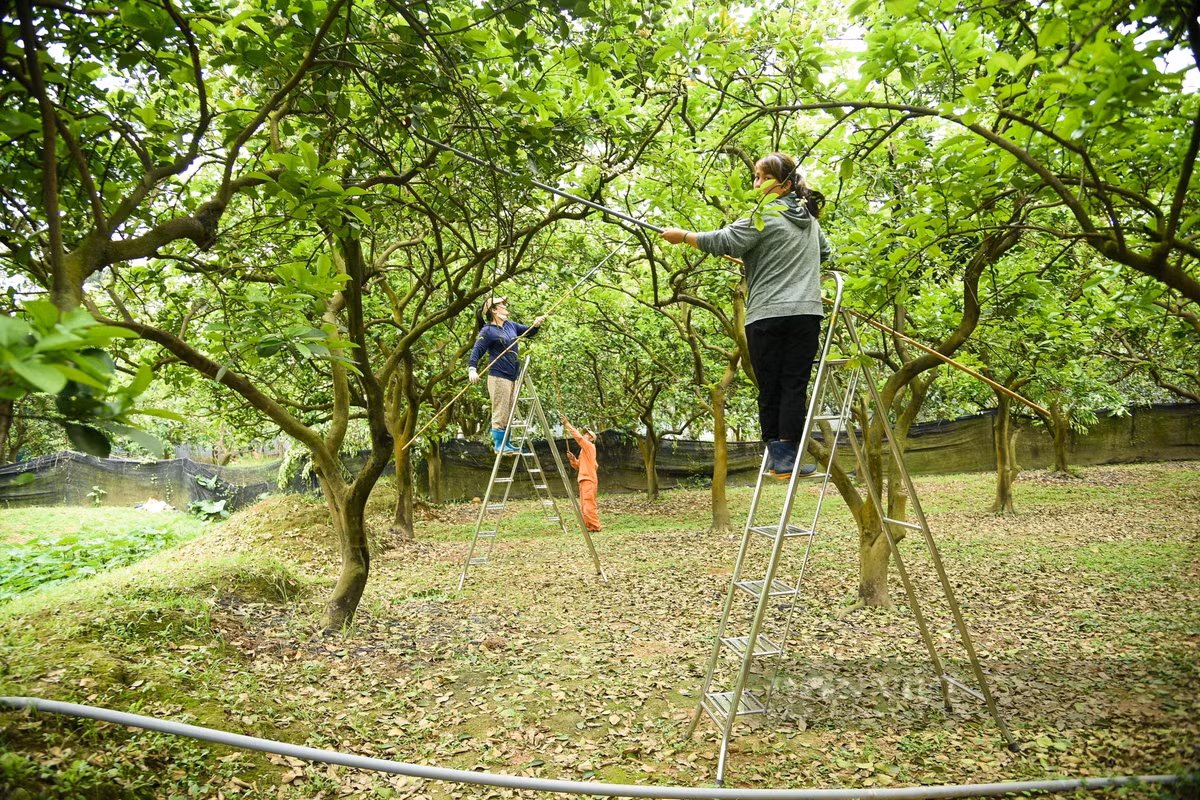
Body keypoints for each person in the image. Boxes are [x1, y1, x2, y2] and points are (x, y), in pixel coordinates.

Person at [660, 152, 832, 478]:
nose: (755, 183)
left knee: (770, 386)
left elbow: (725, 241)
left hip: (767, 315)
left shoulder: (762, 214)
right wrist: (789, 260)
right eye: (754, 176)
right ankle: (784, 456)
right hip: (806, 315)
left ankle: (779, 456)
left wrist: (682, 236)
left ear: (782, 185)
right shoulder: (809, 218)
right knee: (793, 385)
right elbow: (825, 252)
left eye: (760, 177)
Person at [468, 296, 545, 453]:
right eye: (501, 305)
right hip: (498, 376)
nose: (505, 306)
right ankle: (499, 445)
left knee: (509, 411)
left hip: (512, 376)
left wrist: (536, 325)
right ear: (494, 311)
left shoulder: (510, 325)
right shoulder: (488, 330)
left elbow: (528, 331)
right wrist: (472, 369)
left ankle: (507, 444)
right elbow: (477, 350)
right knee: (501, 410)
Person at [562, 416, 601, 532]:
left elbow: (578, 438)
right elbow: (578, 466)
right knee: (584, 505)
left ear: (591, 439)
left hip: (588, 479)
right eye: (586, 433)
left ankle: (595, 526)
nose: (585, 435)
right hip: (584, 479)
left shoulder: (589, 446)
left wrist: (567, 425)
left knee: (589, 505)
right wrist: (573, 459)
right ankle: (589, 526)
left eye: (588, 434)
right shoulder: (584, 451)